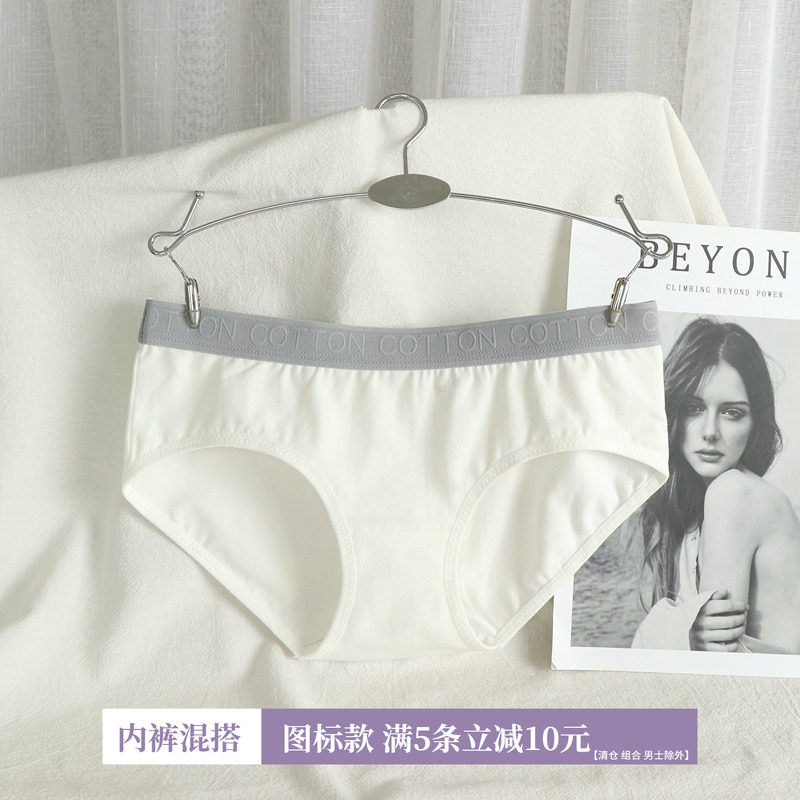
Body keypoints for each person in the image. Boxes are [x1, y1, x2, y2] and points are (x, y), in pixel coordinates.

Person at [631, 317, 800, 653]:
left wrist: (673, 627)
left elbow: (718, 658)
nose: (710, 431)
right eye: (693, 408)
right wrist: (685, 627)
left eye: (731, 412)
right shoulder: (695, 510)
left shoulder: (733, 492)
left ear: (755, 423)